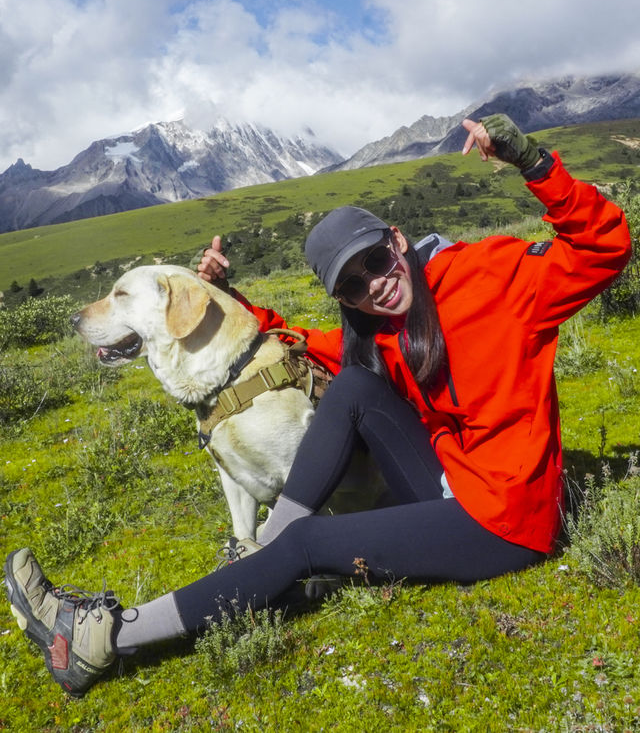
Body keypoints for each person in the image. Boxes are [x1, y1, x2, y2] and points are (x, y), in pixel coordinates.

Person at [4, 115, 631, 698]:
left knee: (307, 543)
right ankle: (270, 558)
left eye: (377, 262)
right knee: (356, 387)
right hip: (449, 481)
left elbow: (604, 247)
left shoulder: (496, 280)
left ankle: (103, 638)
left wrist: (531, 161)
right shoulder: (378, 325)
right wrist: (224, 297)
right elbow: (305, 343)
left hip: (505, 521)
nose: (375, 285)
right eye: (352, 286)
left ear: (398, 239)